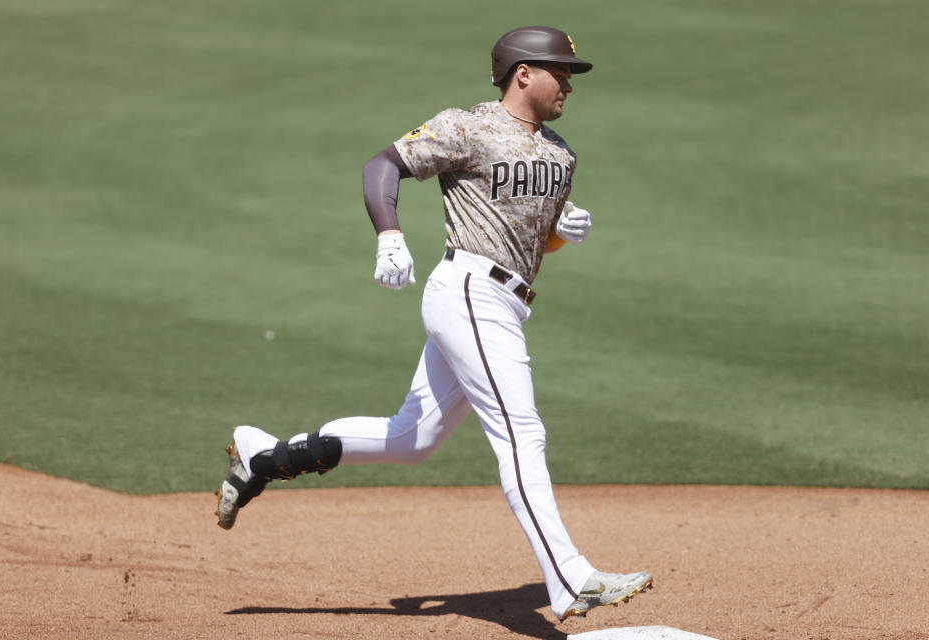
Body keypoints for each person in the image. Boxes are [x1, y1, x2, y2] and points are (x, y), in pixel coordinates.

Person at [214, 25, 652, 622]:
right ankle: (571, 577)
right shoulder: (466, 126)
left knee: (411, 439)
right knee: (522, 431)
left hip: (505, 302)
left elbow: (529, 239)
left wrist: (558, 233)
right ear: (522, 72)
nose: (569, 84)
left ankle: (265, 456)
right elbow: (382, 166)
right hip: (468, 291)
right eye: (560, 71)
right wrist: (389, 235)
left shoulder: (560, 154)